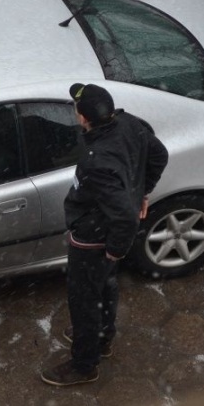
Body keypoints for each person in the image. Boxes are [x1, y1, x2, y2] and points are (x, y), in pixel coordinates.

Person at [41, 83, 169, 387]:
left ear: (83, 118)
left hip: (92, 237)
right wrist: (143, 192)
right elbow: (159, 155)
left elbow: (124, 216)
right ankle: (104, 336)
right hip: (106, 232)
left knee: (84, 301)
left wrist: (115, 248)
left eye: (76, 109)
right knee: (106, 285)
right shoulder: (129, 123)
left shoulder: (97, 160)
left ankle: (84, 365)